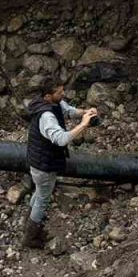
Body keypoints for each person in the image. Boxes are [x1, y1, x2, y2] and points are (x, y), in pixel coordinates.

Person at [23, 79, 98, 249]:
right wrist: (84, 124)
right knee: (43, 198)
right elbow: (61, 139)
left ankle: (27, 223)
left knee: (40, 191)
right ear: (48, 96)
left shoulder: (51, 102)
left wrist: (86, 112)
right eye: (59, 92)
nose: (63, 94)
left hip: (39, 160)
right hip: (43, 165)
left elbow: (69, 111)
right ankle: (30, 236)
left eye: (62, 91)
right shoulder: (46, 116)